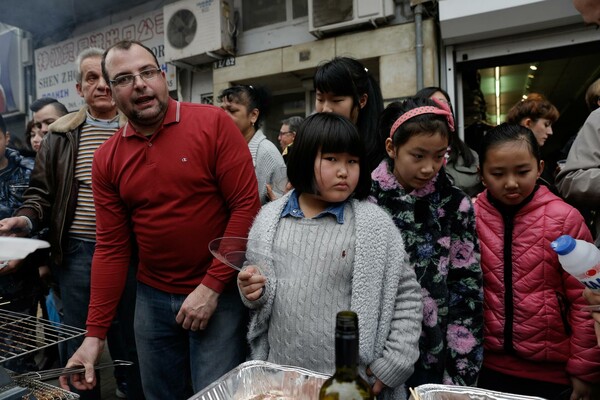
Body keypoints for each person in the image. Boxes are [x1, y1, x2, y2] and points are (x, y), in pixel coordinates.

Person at [57, 40, 260, 400]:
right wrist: (93, 337)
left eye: (147, 72)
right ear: (111, 90)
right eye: (124, 78)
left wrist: (211, 287)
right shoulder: (108, 159)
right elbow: (112, 248)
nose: (139, 83)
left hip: (220, 292)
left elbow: (246, 207)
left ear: (163, 76)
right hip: (151, 299)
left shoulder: (213, 124)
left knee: (216, 395)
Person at [238, 112, 422, 399]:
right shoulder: (268, 220)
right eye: (332, 159)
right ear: (303, 158)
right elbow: (259, 288)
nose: (343, 171)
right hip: (283, 381)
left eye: (352, 161)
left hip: (351, 387)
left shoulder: (374, 226)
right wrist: (251, 290)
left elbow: (407, 297)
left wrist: (394, 363)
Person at [0, 50, 143, 399]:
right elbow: (40, 194)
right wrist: (25, 218)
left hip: (133, 254)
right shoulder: (60, 136)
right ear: (80, 88)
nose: (100, 85)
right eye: (90, 78)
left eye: (104, 77)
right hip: (77, 254)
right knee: (78, 345)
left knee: (132, 344)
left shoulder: (141, 128)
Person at [474, 123, 600, 399]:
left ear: (540, 167)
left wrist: (585, 370)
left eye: (522, 172)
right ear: (481, 174)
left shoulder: (565, 219)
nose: (511, 183)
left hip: (552, 374)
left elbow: (586, 300)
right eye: (497, 173)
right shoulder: (469, 217)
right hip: (486, 368)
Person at [369, 97, 483, 388]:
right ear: (392, 148)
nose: (429, 167)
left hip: (433, 355)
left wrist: (459, 375)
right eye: (417, 156)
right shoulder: (367, 199)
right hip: (374, 352)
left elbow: (465, 287)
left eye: (439, 156)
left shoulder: (456, 205)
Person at [0, 113, 36, 373]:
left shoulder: (29, 171)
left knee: (18, 356)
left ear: (6, 137)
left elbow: (47, 221)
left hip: (20, 282)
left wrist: (24, 247)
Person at [219, 85, 287, 204]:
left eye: (232, 111)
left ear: (253, 115)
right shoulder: (222, 149)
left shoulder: (268, 153)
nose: (223, 116)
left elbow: (282, 201)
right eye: (222, 110)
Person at [314, 56, 384, 172]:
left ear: (362, 101)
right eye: (320, 99)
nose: (325, 109)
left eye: (336, 100)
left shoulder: (382, 156)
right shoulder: (312, 141)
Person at [415, 86, 482, 197]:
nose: (439, 109)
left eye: (443, 103)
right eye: (431, 103)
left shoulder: (470, 156)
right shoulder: (408, 156)